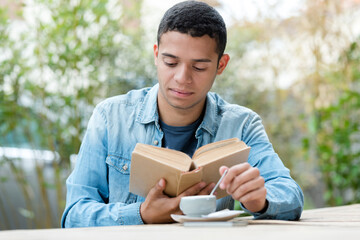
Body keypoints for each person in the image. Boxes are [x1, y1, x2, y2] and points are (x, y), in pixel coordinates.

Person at [61, 0, 304, 227]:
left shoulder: (242, 125)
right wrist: (141, 214)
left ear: (221, 65)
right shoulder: (110, 117)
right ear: (156, 55)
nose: (182, 78)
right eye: (170, 63)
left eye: (199, 67)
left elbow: (290, 194)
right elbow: (74, 214)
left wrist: (259, 201)